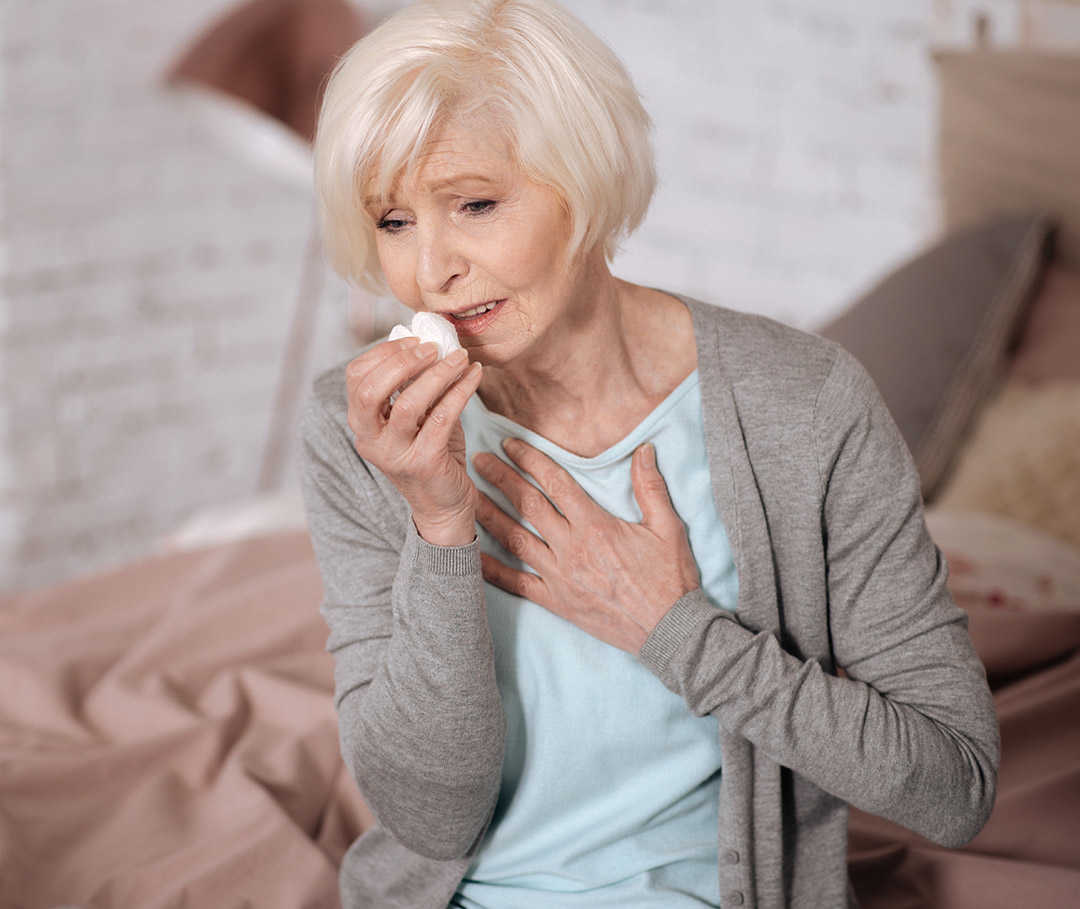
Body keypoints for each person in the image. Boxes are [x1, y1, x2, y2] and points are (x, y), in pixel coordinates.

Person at [298, 1, 999, 907]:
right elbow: (428, 821)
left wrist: (670, 627)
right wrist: (438, 525)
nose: (432, 269)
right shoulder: (358, 427)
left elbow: (958, 785)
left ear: (583, 182)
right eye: (393, 221)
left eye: (475, 203)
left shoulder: (802, 402)